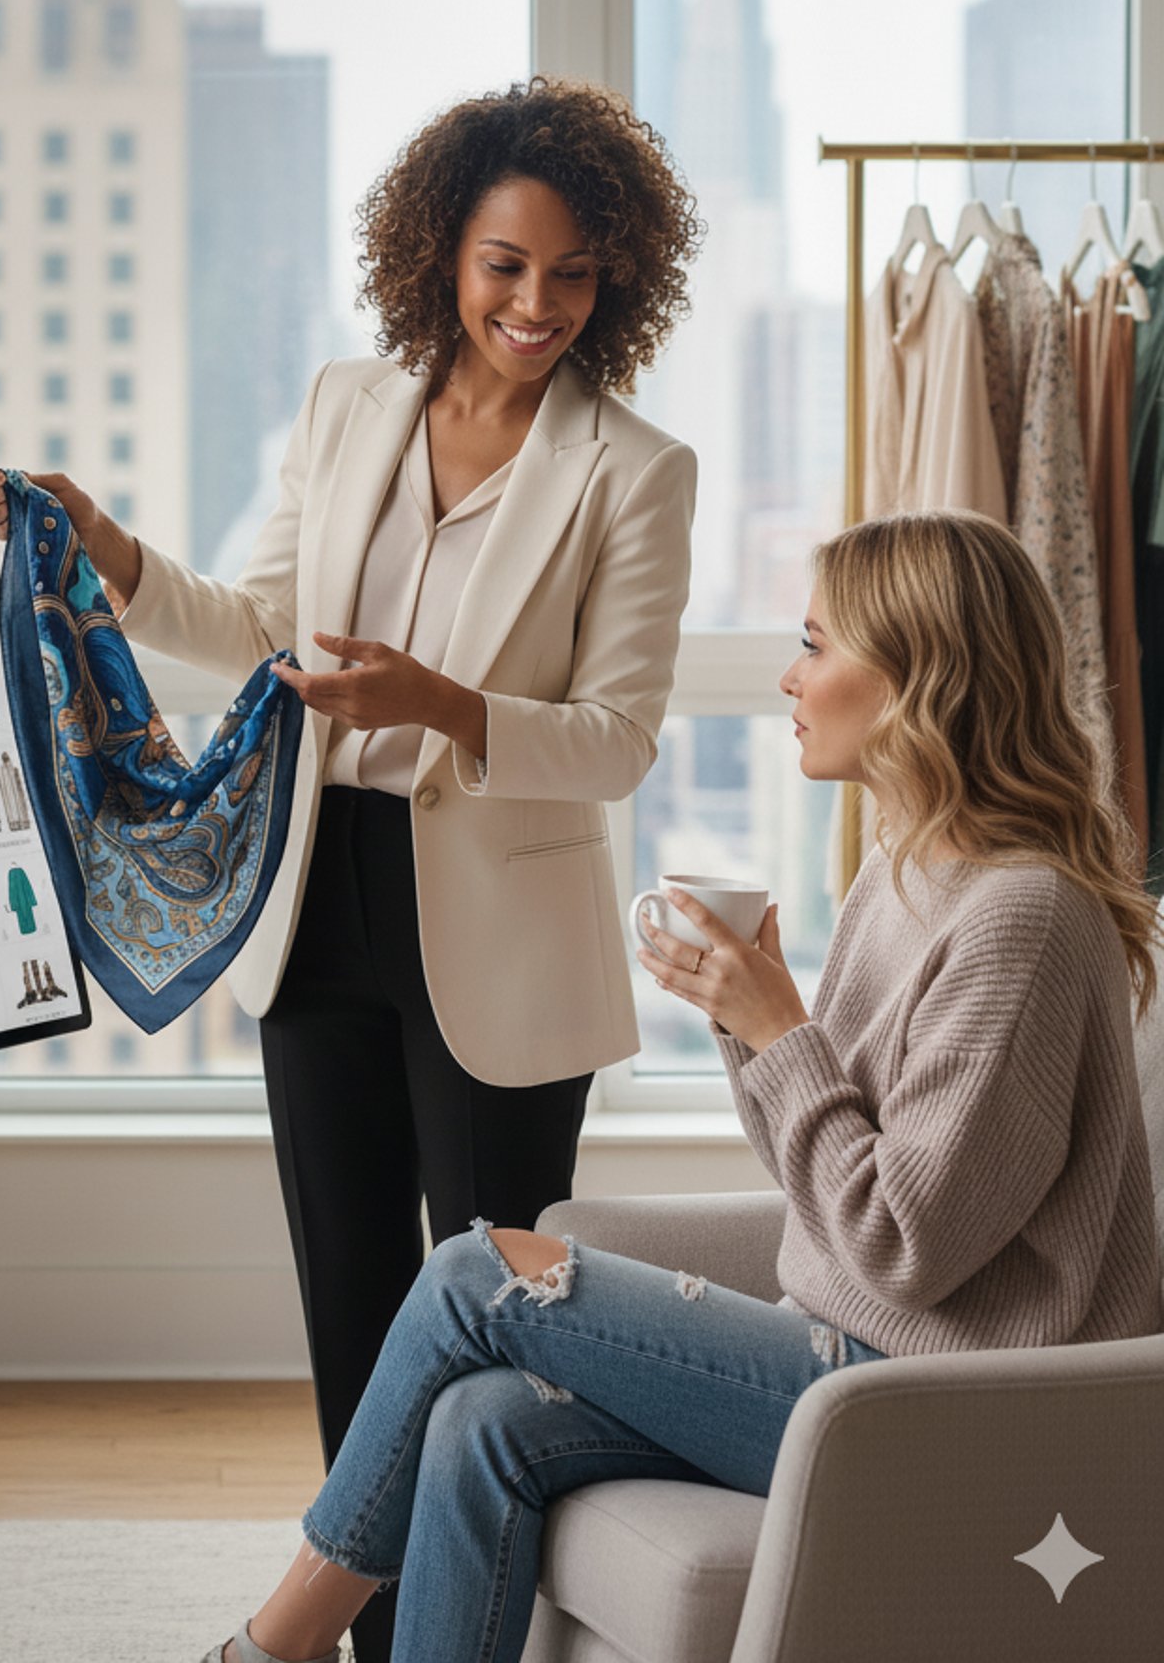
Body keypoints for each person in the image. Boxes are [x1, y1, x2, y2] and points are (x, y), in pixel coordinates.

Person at [0, 76, 701, 1662]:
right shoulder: (345, 407)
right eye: (509, 264)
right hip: (320, 903)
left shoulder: (634, 469)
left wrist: (440, 706)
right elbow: (251, 628)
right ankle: (373, 1640)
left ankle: (479, 1626)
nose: (537, 304)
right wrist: (108, 551)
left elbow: (617, 738)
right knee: (358, 1313)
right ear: (445, 250)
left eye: (576, 273)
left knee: (504, 1328)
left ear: (619, 278)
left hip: (504, 936)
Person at [195, 509, 1164, 1663]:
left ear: (920, 680)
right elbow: (825, 1183)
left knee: (473, 1275)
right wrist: (743, 1016)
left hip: (943, 1406)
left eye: (816, 644)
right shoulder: (905, 871)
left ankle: (270, 1649)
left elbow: (904, 1245)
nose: (788, 676)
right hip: (849, 1352)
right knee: (478, 1418)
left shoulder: (1021, 919)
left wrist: (778, 1026)